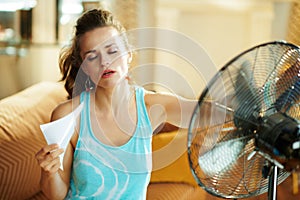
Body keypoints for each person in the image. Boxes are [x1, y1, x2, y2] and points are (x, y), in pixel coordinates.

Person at [35, 8, 197, 199]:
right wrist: (49, 171)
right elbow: (57, 195)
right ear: (83, 67)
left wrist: (238, 109)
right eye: (92, 56)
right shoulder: (67, 116)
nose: (105, 62)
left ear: (128, 54)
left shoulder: (150, 106)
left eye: (112, 51)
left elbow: (206, 113)